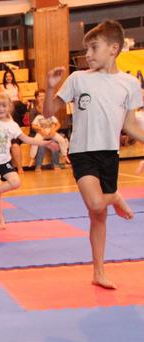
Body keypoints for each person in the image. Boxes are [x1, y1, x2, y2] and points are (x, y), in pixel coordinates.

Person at [44, 20, 144, 289]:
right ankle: (116, 197)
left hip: (110, 154)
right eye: (86, 49)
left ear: (113, 48)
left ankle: (98, 272)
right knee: (98, 203)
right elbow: (48, 112)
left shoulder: (129, 83)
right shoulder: (78, 78)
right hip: (83, 152)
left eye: (93, 48)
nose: (87, 54)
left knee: (98, 216)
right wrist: (50, 87)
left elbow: (130, 125)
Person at [0, 90, 57, 227]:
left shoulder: (12, 125)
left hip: (4, 161)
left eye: (3, 106)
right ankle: (1, 221)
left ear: (9, 107)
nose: (0, 109)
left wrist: (45, 143)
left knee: (16, 182)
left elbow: (26, 139)